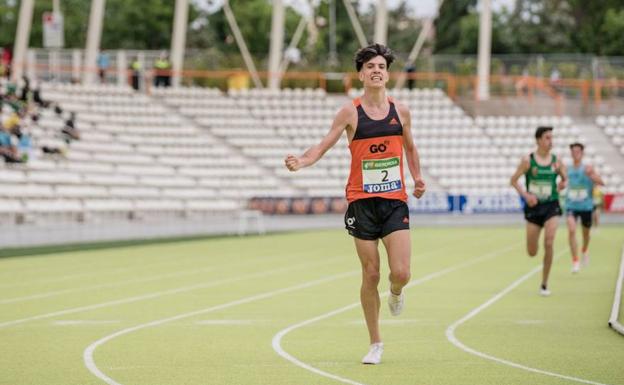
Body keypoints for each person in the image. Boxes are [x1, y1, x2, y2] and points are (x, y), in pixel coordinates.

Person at [284, 44, 425, 365]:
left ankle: (397, 292)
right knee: (371, 273)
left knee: (400, 272)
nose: (376, 70)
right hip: (361, 202)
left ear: (387, 74)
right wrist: (302, 161)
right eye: (370, 66)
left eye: (381, 66)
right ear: (361, 74)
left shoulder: (401, 111)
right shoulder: (350, 112)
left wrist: (417, 178)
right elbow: (324, 144)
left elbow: (411, 149)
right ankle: (375, 342)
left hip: (394, 201)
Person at [510, 126, 567, 297]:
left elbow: (565, 179)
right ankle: (535, 253)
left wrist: (563, 183)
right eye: (547, 138)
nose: (551, 141)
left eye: (552, 137)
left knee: (549, 242)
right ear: (538, 140)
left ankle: (544, 283)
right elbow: (513, 181)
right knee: (532, 251)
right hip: (534, 208)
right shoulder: (528, 161)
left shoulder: (557, 161)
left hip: (551, 205)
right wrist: (526, 195)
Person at [565, 143, 605, 272]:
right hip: (571, 205)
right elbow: (562, 183)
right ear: (571, 153)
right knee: (571, 230)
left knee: (585, 235)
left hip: (586, 206)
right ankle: (575, 261)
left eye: (578, 151)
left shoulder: (588, 168)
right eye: (573, 151)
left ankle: (584, 249)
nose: (575, 153)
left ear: (582, 153)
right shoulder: (567, 169)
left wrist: (591, 175)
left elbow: (601, 182)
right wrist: (561, 185)